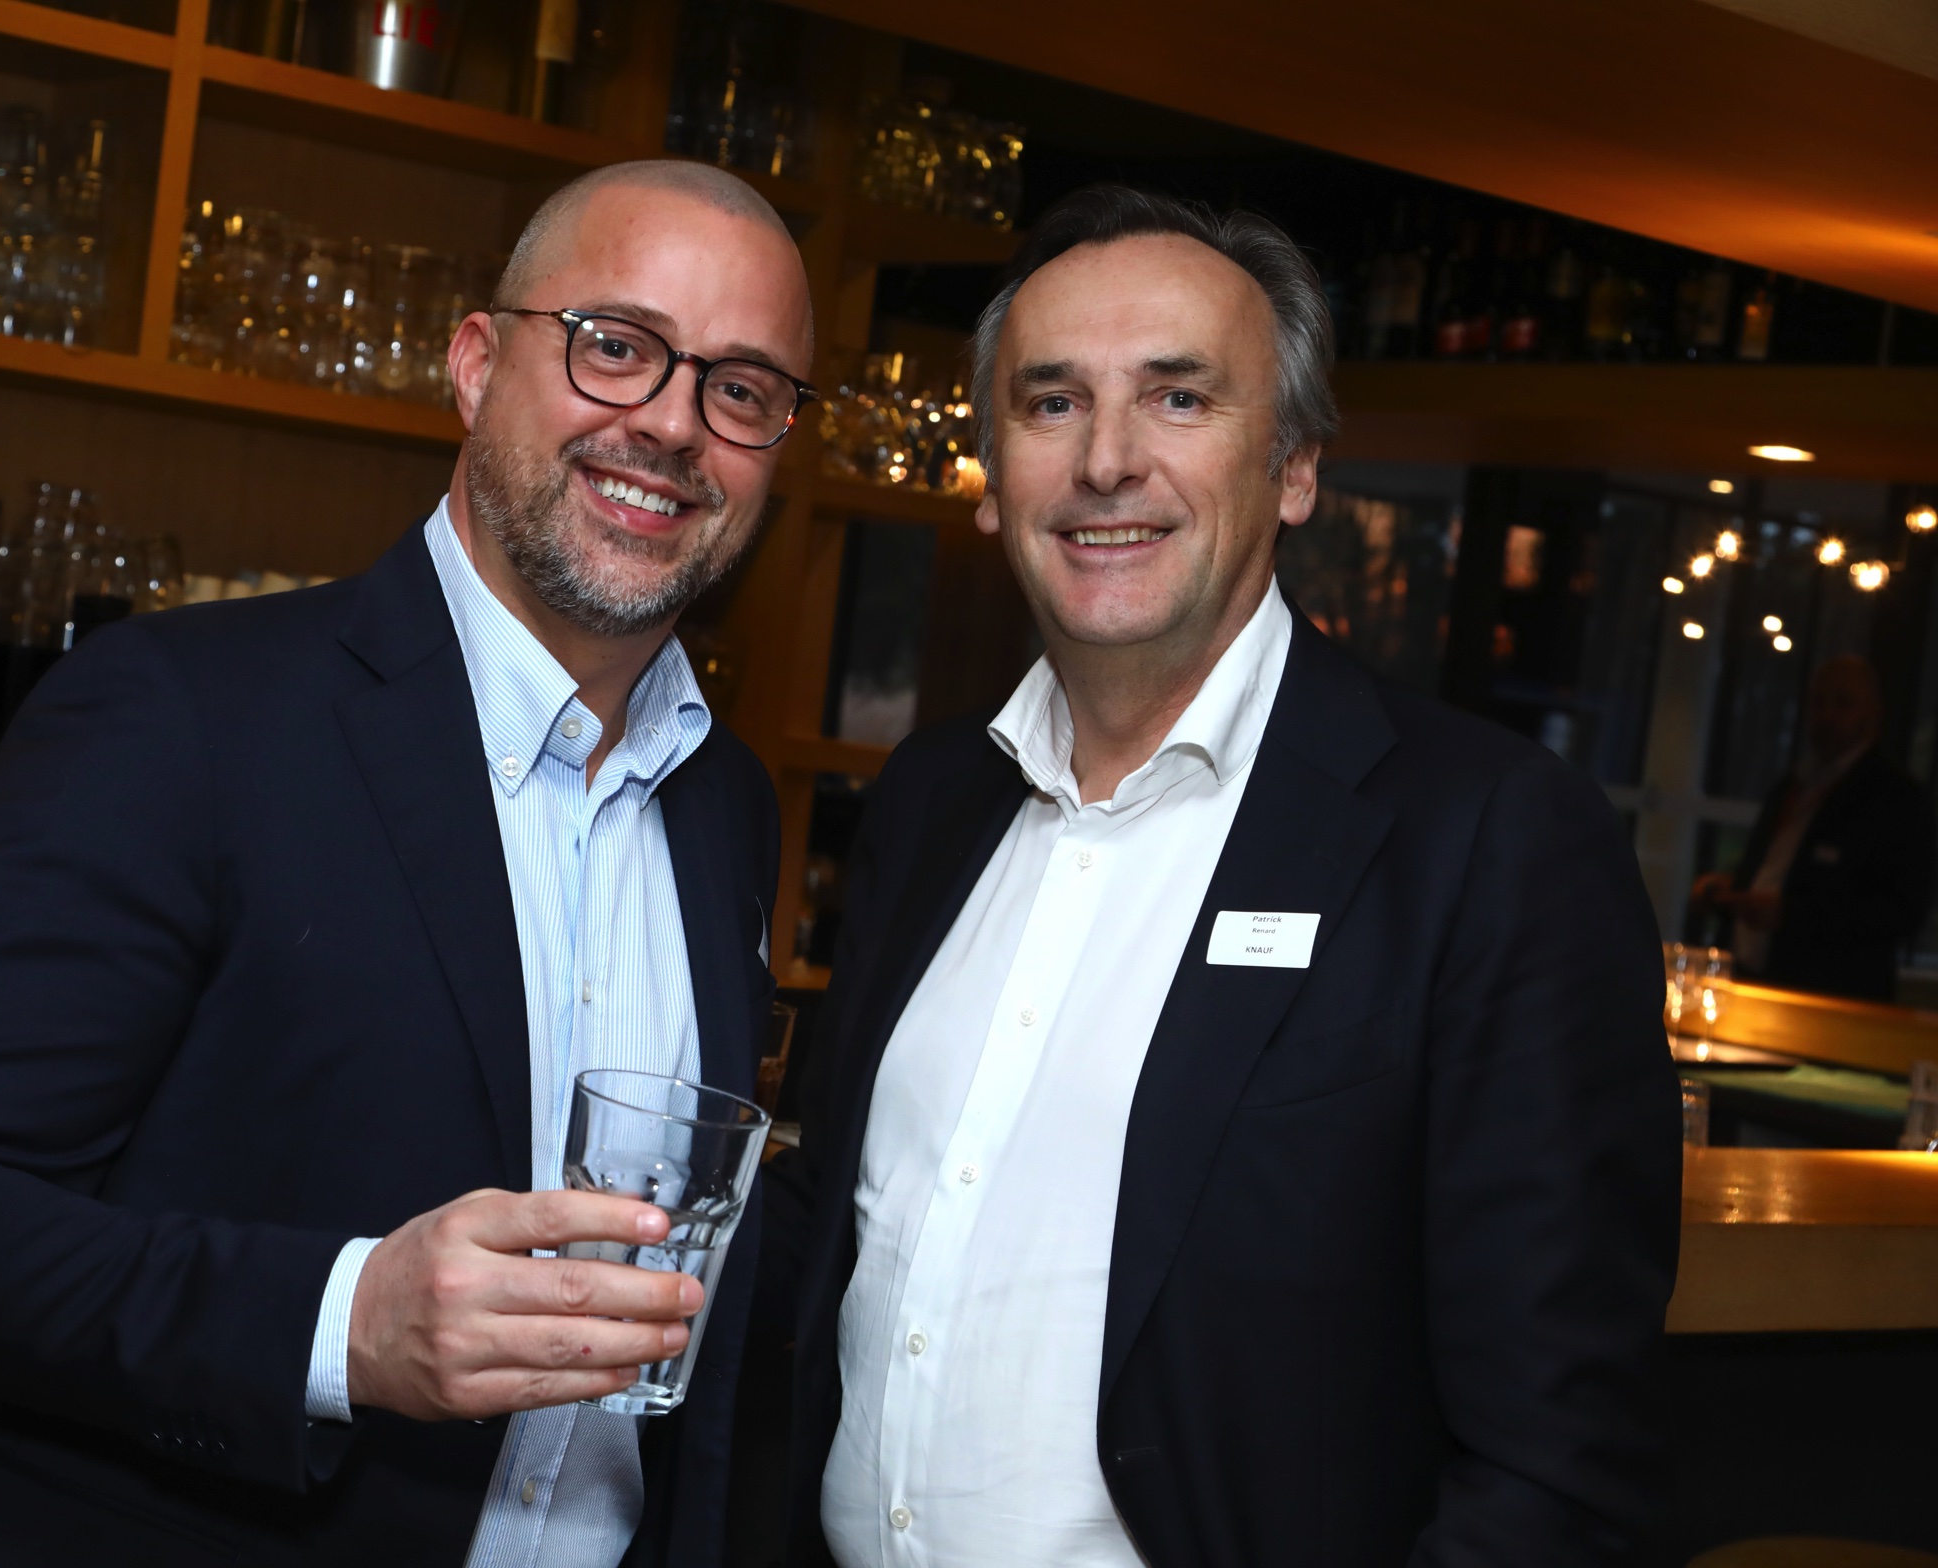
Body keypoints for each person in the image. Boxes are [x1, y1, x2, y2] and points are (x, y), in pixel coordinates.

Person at [0, 159, 815, 1566]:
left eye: (742, 389)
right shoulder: (183, 714)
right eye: (616, 346)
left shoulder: (727, 804)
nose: (672, 423)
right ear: (477, 364)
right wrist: (345, 1323)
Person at [761, 187, 1680, 1567]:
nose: (1107, 461)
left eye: (1179, 398)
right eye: (1052, 403)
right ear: (993, 470)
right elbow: (840, 1225)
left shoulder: (1489, 842)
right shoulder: (931, 798)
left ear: (1294, 467)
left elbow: (1563, 1461)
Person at [1693, 655, 1935, 1002]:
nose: (1827, 715)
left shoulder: (1895, 798)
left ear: (1873, 712)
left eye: (1843, 703)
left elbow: (1901, 911)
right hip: (1756, 979)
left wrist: (1790, 914)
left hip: (1831, 994)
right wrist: (1731, 891)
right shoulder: (1794, 785)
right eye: (1819, 703)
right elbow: (1778, 871)